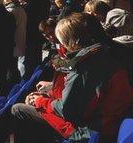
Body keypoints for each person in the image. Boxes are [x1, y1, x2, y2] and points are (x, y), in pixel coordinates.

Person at [11, 13, 133, 143]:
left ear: (68, 41)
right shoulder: (102, 54)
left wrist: (40, 101)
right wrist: (49, 94)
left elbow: (67, 110)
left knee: (17, 109)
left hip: (91, 129)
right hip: (106, 121)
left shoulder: (84, 67)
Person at [21, 0, 50, 80]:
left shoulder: (31, 0)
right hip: (40, 30)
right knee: (37, 55)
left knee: (29, 59)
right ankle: (37, 74)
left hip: (32, 31)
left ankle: (31, 78)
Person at [3, 0, 27, 81]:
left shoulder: (10, 11)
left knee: (12, 69)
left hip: (13, 45)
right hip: (20, 41)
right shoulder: (21, 9)